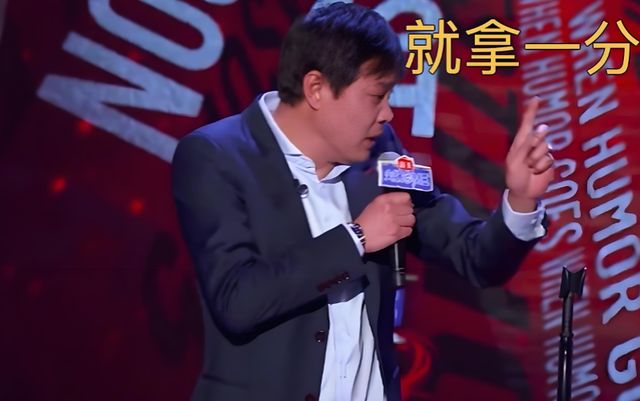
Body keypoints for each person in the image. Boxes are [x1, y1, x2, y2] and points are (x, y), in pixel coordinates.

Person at [171, 2, 554, 401]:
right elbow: (238, 302)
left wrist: (521, 200)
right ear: (316, 89)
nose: (388, 114)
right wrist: (356, 238)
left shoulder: (379, 150)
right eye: (377, 96)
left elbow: (473, 256)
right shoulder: (217, 156)